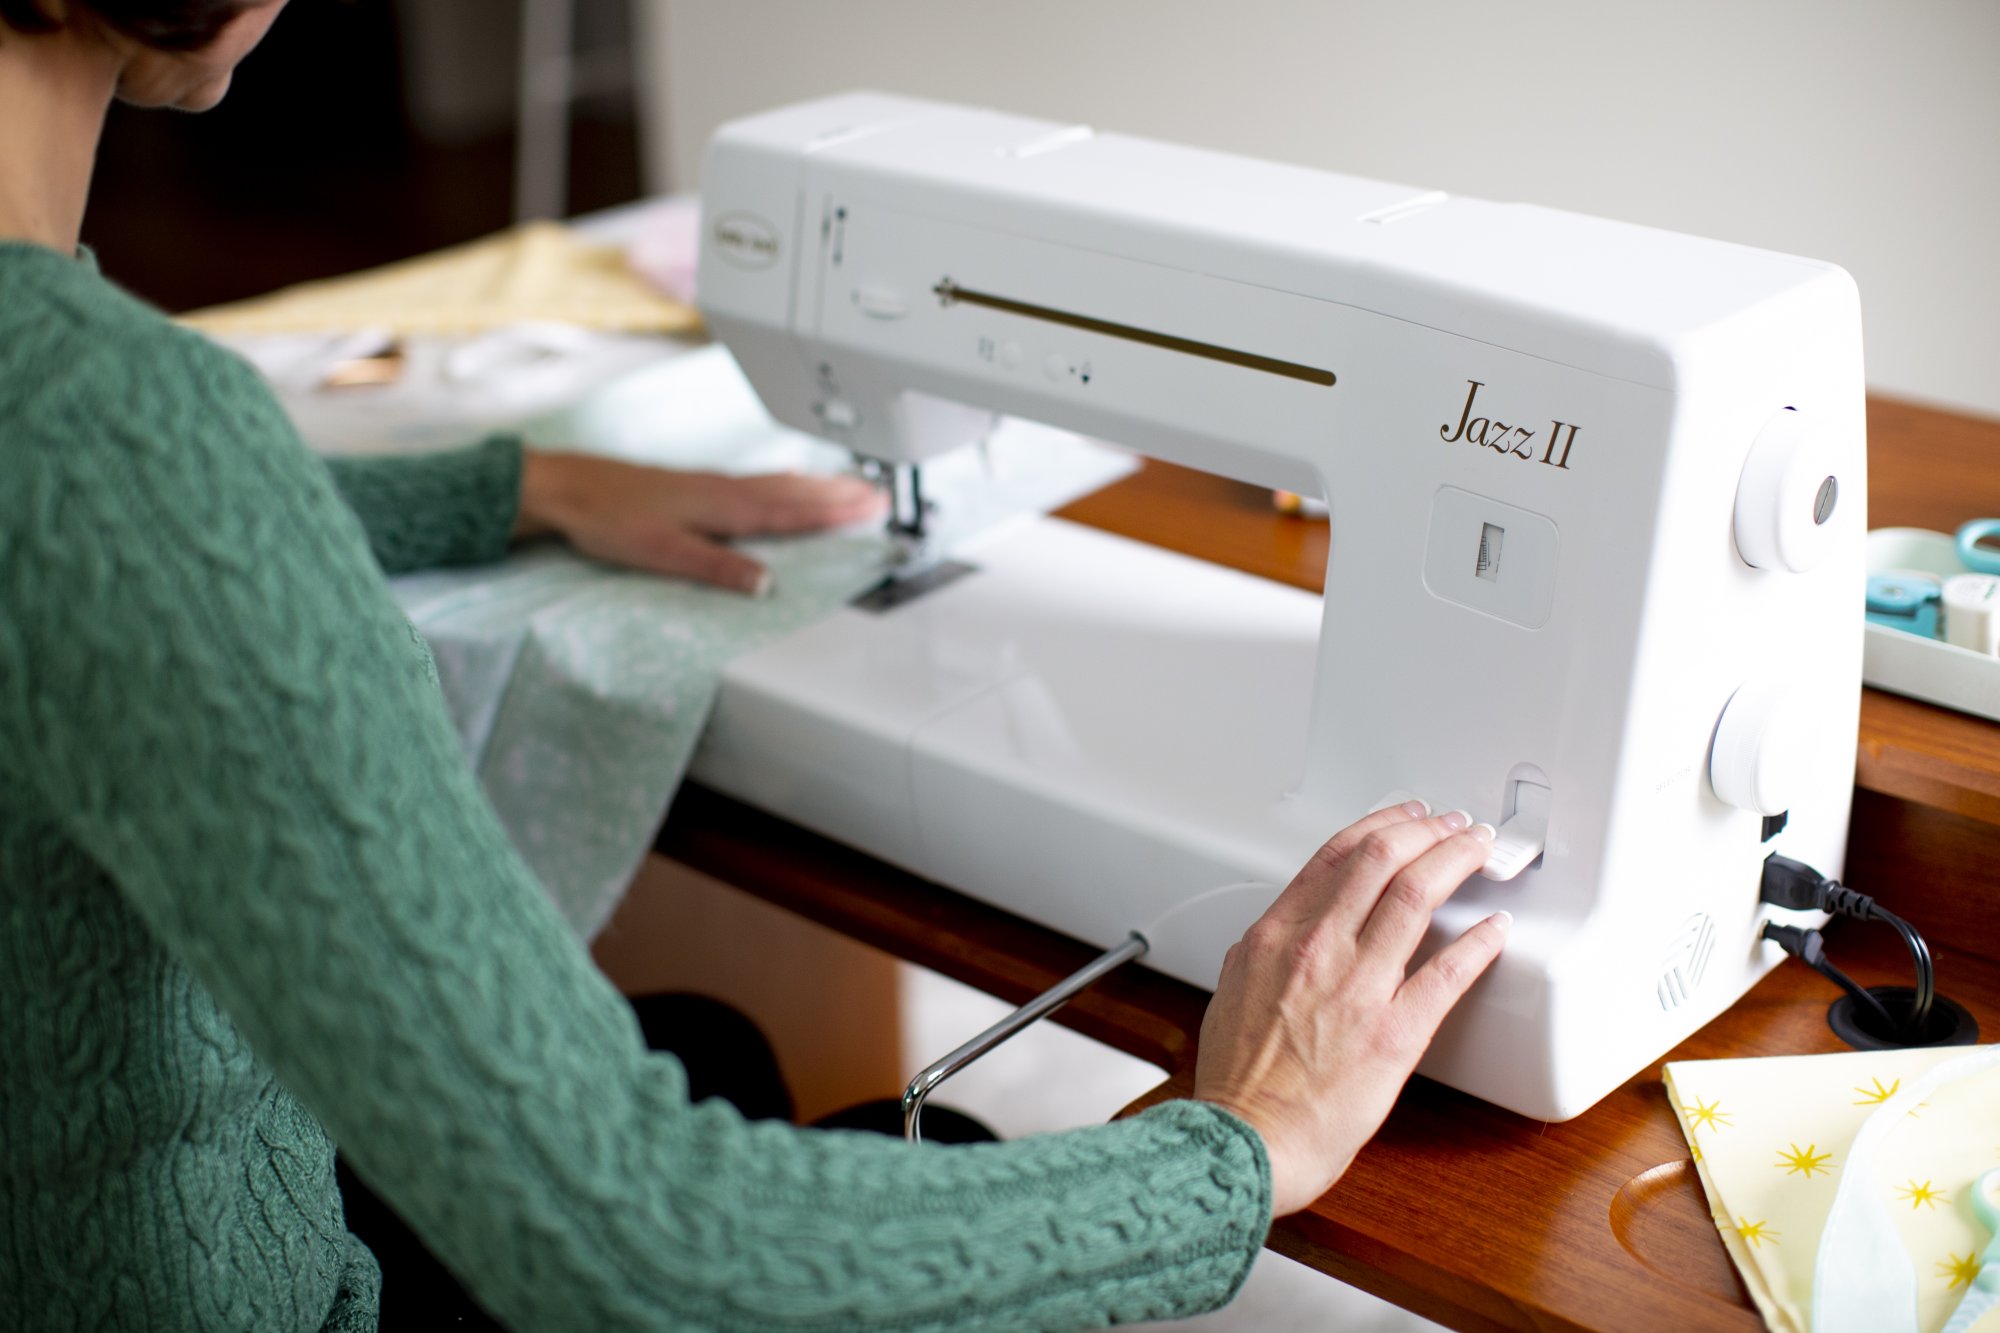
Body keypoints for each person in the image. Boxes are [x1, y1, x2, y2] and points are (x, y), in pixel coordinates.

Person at [0, 2, 1513, 1329]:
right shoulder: (129, 442)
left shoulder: (80, 406)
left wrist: (520, 486)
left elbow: (87, 539)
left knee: (712, 1041)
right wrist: (1240, 1144)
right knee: (917, 1148)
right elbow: (649, 1254)